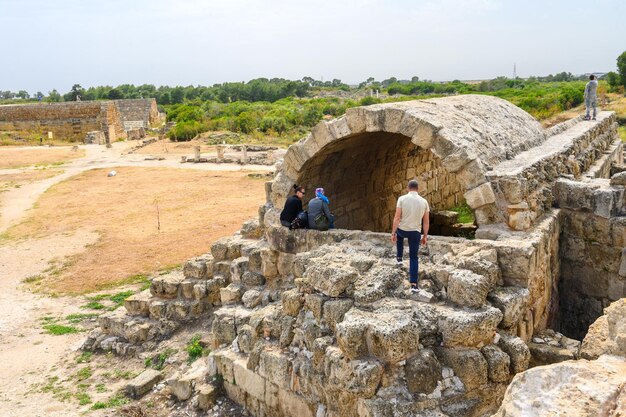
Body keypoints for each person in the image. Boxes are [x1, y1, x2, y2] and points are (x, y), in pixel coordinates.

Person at [391, 179, 429, 292]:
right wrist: (425, 236)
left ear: (408, 188)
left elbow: (397, 218)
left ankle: (399, 258)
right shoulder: (424, 201)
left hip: (402, 230)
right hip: (415, 232)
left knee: (399, 235)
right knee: (414, 257)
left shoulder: (402, 199)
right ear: (418, 189)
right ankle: (414, 284)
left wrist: (393, 233)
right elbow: (426, 222)